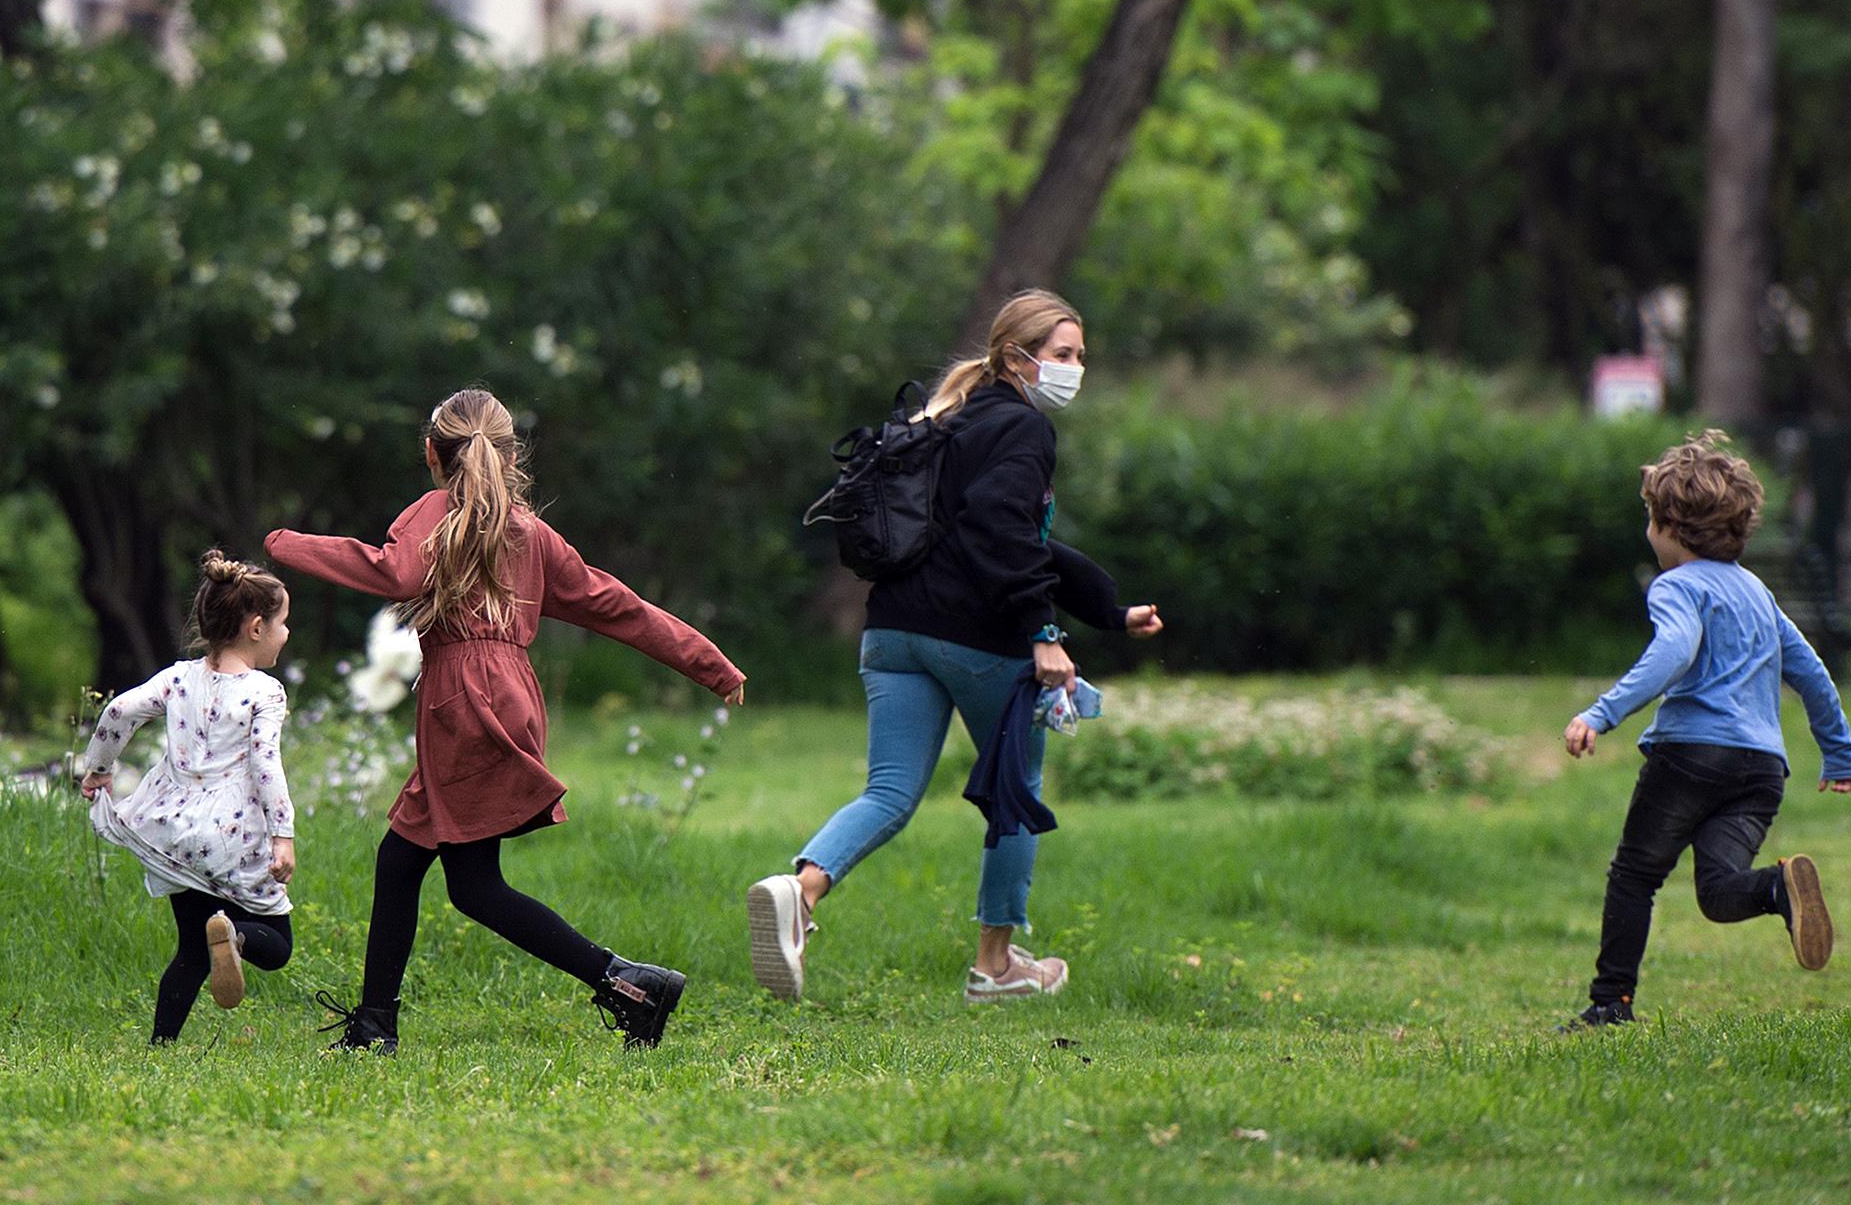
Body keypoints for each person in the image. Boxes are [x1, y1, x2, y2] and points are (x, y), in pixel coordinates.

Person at [268, 386, 746, 1053]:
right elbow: (619, 606)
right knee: (407, 864)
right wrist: (711, 664)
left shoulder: (434, 513)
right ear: (508, 453)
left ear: (432, 453)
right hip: (503, 696)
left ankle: (629, 983)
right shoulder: (530, 532)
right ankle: (376, 1023)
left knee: (473, 886)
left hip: (463, 703)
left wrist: (285, 544)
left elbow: (395, 572)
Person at [747, 289, 1164, 1008]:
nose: (1074, 369)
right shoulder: (1022, 431)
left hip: (892, 633)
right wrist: (1044, 634)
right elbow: (1002, 533)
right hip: (975, 639)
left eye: (1079, 356)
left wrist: (1109, 610)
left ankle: (800, 890)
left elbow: (1013, 538)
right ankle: (995, 969)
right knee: (1014, 798)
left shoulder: (946, 421)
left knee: (888, 792)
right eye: (1062, 355)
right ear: (1016, 357)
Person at [1562, 429, 1851, 1028]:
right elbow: (1810, 671)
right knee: (1719, 891)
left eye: (1651, 520)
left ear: (1670, 526)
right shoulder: (1757, 592)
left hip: (1690, 757)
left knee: (1634, 875)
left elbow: (1673, 652)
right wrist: (1840, 755)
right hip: (1760, 770)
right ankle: (1778, 891)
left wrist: (1601, 713)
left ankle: (1610, 1004)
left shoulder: (1677, 586)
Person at [77, 550, 301, 1044]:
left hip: (173, 833)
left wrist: (98, 769)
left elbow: (119, 711)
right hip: (231, 835)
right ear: (258, 628)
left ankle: (161, 1044)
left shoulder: (177, 677)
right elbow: (266, 766)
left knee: (193, 949)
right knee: (278, 944)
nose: (288, 634)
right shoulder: (265, 692)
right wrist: (282, 835)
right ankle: (238, 939)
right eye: (284, 623)